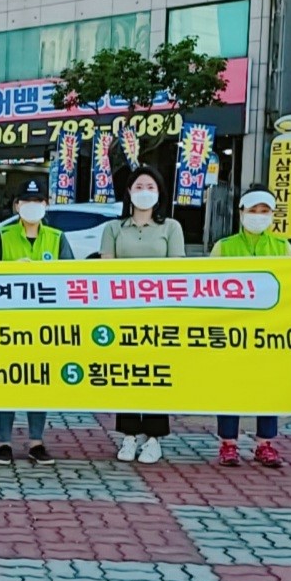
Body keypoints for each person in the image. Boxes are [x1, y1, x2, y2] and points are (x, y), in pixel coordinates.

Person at [99, 164, 184, 465]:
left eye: (150, 187)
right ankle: (129, 434)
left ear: (159, 193)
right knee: (127, 374)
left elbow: (177, 272)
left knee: (155, 374)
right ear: (129, 192)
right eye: (139, 187)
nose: (144, 192)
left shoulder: (171, 228)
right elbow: (107, 270)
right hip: (124, 313)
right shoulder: (113, 229)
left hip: (158, 314)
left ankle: (154, 437)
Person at [0, 177, 70, 467]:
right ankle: (3, 442)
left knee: (39, 380)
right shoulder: (1, 236)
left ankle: (36, 442)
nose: (32, 206)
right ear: (16, 206)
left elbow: (72, 280)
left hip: (44, 325)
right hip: (8, 324)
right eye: (26, 201)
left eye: (38, 201)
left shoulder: (57, 238)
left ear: (46, 205)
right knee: (5, 380)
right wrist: (10, 271)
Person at [210, 185, 291, 469]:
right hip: (231, 329)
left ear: (272, 214)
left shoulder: (283, 247)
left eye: (264, 211)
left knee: (267, 385)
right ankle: (228, 443)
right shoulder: (224, 246)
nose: (258, 215)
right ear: (241, 212)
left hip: (269, 330)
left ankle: (264, 444)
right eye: (253, 210)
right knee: (229, 385)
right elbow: (209, 286)